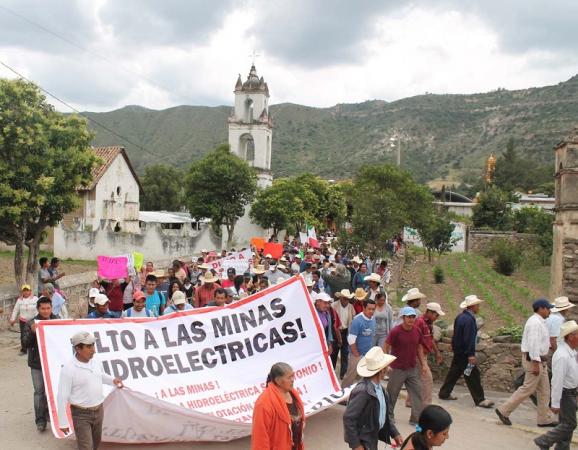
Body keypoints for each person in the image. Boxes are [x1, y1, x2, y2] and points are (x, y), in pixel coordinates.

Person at [496, 299, 558, 427]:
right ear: (541, 308)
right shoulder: (535, 323)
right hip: (535, 360)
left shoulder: (540, 322)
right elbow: (533, 344)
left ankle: (544, 418)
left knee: (544, 390)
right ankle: (504, 410)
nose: (549, 311)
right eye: (548, 308)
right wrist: (536, 362)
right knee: (527, 388)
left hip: (540, 361)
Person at [57, 331, 124, 449]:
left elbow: (100, 375)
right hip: (81, 414)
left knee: (96, 443)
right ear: (78, 348)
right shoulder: (68, 369)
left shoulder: (96, 361)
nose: (93, 350)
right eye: (89, 346)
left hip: (99, 410)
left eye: (93, 345)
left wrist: (112, 380)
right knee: (86, 447)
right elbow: (62, 396)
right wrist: (63, 422)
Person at [438, 295, 494, 408]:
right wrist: (471, 355)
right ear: (472, 306)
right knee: (473, 374)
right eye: (477, 305)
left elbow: (456, 334)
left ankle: (444, 393)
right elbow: (468, 338)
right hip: (465, 354)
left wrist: (453, 345)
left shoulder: (460, 317)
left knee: (454, 372)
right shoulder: (469, 320)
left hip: (459, 352)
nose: (478, 307)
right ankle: (480, 399)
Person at [343, 346, 403, 450]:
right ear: (382, 370)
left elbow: (386, 416)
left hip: (372, 437)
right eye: (386, 366)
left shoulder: (382, 391)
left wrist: (395, 433)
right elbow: (349, 418)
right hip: (364, 439)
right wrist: (356, 445)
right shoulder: (363, 391)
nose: (388, 368)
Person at [534, 320, 578, 450]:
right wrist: (555, 403)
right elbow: (557, 381)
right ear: (570, 336)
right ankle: (544, 440)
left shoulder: (572, 352)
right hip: (565, 393)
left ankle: (562, 447)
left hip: (571, 392)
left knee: (566, 423)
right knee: (570, 424)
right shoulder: (562, 356)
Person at [384, 306, 426, 425]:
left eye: (413, 317)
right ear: (403, 318)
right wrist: (386, 363)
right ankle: (389, 417)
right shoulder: (395, 331)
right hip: (397, 368)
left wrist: (423, 364)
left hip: (412, 368)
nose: (411, 319)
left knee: (418, 392)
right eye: (408, 317)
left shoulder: (417, 331)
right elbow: (386, 345)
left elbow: (419, 347)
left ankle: (416, 419)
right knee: (392, 394)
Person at [23, 297, 58, 431]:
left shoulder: (58, 321)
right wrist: (32, 332)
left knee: (54, 390)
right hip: (37, 364)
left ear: (51, 308)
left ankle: (52, 415)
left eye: (48, 308)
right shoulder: (31, 323)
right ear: (38, 309)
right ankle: (40, 420)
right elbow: (25, 344)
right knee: (39, 392)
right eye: (42, 308)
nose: (45, 311)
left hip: (54, 362)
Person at [251, 362, 304, 450]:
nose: (293, 380)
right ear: (278, 381)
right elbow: (260, 437)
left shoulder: (293, 394)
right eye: (289, 377)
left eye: (293, 376)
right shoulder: (264, 404)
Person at [414, 303, 445, 405]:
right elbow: (416, 342)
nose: (437, 318)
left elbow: (430, 339)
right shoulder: (419, 322)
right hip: (418, 355)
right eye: (436, 315)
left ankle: (411, 401)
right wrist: (422, 360)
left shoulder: (429, 323)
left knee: (416, 379)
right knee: (428, 380)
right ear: (429, 312)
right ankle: (426, 404)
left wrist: (437, 352)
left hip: (424, 354)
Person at [342, 299, 377, 388]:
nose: (371, 311)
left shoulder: (373, 319)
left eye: (373, 309)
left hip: (367, 353)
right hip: (356, 354)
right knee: (350, 376)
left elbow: (371, 336)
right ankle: (343, 394)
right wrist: (356, 353)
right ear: (364, 308)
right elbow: (351, 339)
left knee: (364, 377)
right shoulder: (357, 320)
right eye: (369, 309)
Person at [332, 289, 356, 378]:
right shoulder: (334, 305)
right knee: (334, 353)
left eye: (347, 299)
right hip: (336, 331)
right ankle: (332, 372)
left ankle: (343, 373)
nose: (346, 300)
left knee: (345, 353)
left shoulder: (351, 307)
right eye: (344, 298)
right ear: (340, 298)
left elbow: (353, 320)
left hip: (346, 331)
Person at [9, 284, 38, 355]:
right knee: (23, 335)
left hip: (32, 320)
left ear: (30, 291)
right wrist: (12, 319)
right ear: (22, 292)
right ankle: (24, 350)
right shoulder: (19, 300)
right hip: (23, 320)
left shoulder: (35, 299)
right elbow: (15, 310)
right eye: (24, 291)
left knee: (34, 334)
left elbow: (38, 309)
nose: (26, 292)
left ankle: (34, 348)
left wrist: (37, 319)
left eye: (27, 290)